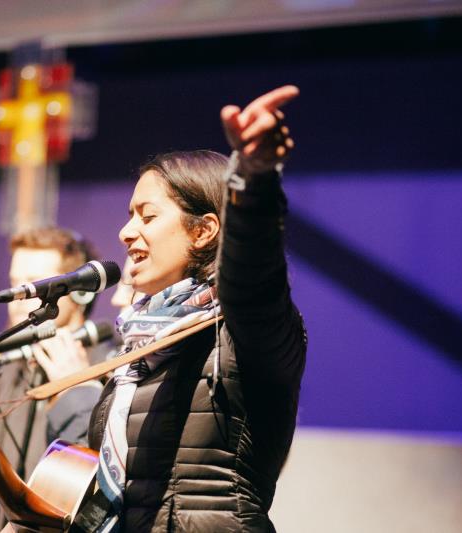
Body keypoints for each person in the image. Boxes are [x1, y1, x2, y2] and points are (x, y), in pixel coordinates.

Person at [83, 85, 307, 532]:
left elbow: (253, 271)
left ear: (204, 231)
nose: (126, 232)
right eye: (130, 215)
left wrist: (252, 181)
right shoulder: (140, 348)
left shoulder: (241, 332)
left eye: (147, 216)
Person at [0, 226, 106, 533]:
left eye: (34, 285)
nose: (18, 297)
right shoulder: (4, 370)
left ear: (79, 293)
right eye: (14, 283)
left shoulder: (103, 370)